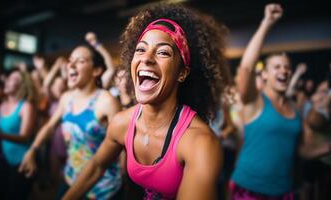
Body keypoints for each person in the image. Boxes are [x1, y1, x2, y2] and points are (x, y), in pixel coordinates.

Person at [62, 2, 230, 200]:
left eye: (163, 52)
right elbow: (96, 167)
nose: (147, 58)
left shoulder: (199, 143)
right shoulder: (122, 123)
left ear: (182, 73)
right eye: (141, 49)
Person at [231, 4, 331, 199]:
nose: (284, 71)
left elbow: (301, 150)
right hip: (249, 189)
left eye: (287, 68)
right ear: (266, 74)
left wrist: (328, 147)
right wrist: (266, 23)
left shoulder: (294, 108)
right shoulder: (255, 100)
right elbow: (246, 68)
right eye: (277, 67)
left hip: (283, 191)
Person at [19, 42, 122, 200]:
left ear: (96, 70)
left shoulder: (106, 101)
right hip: (71, 177)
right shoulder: (67, 98)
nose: (71, 64)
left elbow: (122, 147)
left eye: (80, 61)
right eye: (71, 60)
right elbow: (50, 126)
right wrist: (33, 149)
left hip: (102, 188)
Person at [0, 69, 37, 200]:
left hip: (21, 163)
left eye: (13, 79)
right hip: (3, 159)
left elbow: (24, 137)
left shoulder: (26, 106)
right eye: (8, 78)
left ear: (22, 85)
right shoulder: (3, 105)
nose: (7, 81)